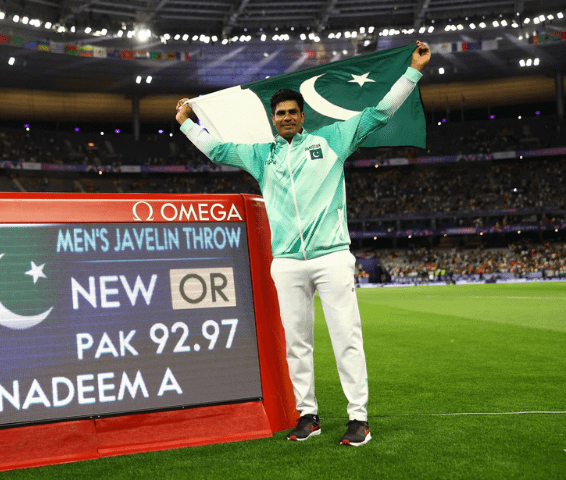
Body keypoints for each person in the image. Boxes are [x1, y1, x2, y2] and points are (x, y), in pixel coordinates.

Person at [175, 41, 431, 447]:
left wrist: (413, 71)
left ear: (303, 116)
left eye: (293, 112)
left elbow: (379, 113)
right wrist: (187, 122)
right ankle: (307, 416)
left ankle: (358, 418)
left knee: (346, 337)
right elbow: (218, 149)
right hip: (288, 263)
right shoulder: (262, 157)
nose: (287, 118)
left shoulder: (332, 140)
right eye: (281, 114)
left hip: (331, 258)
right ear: (273, 119)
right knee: (297, 344)